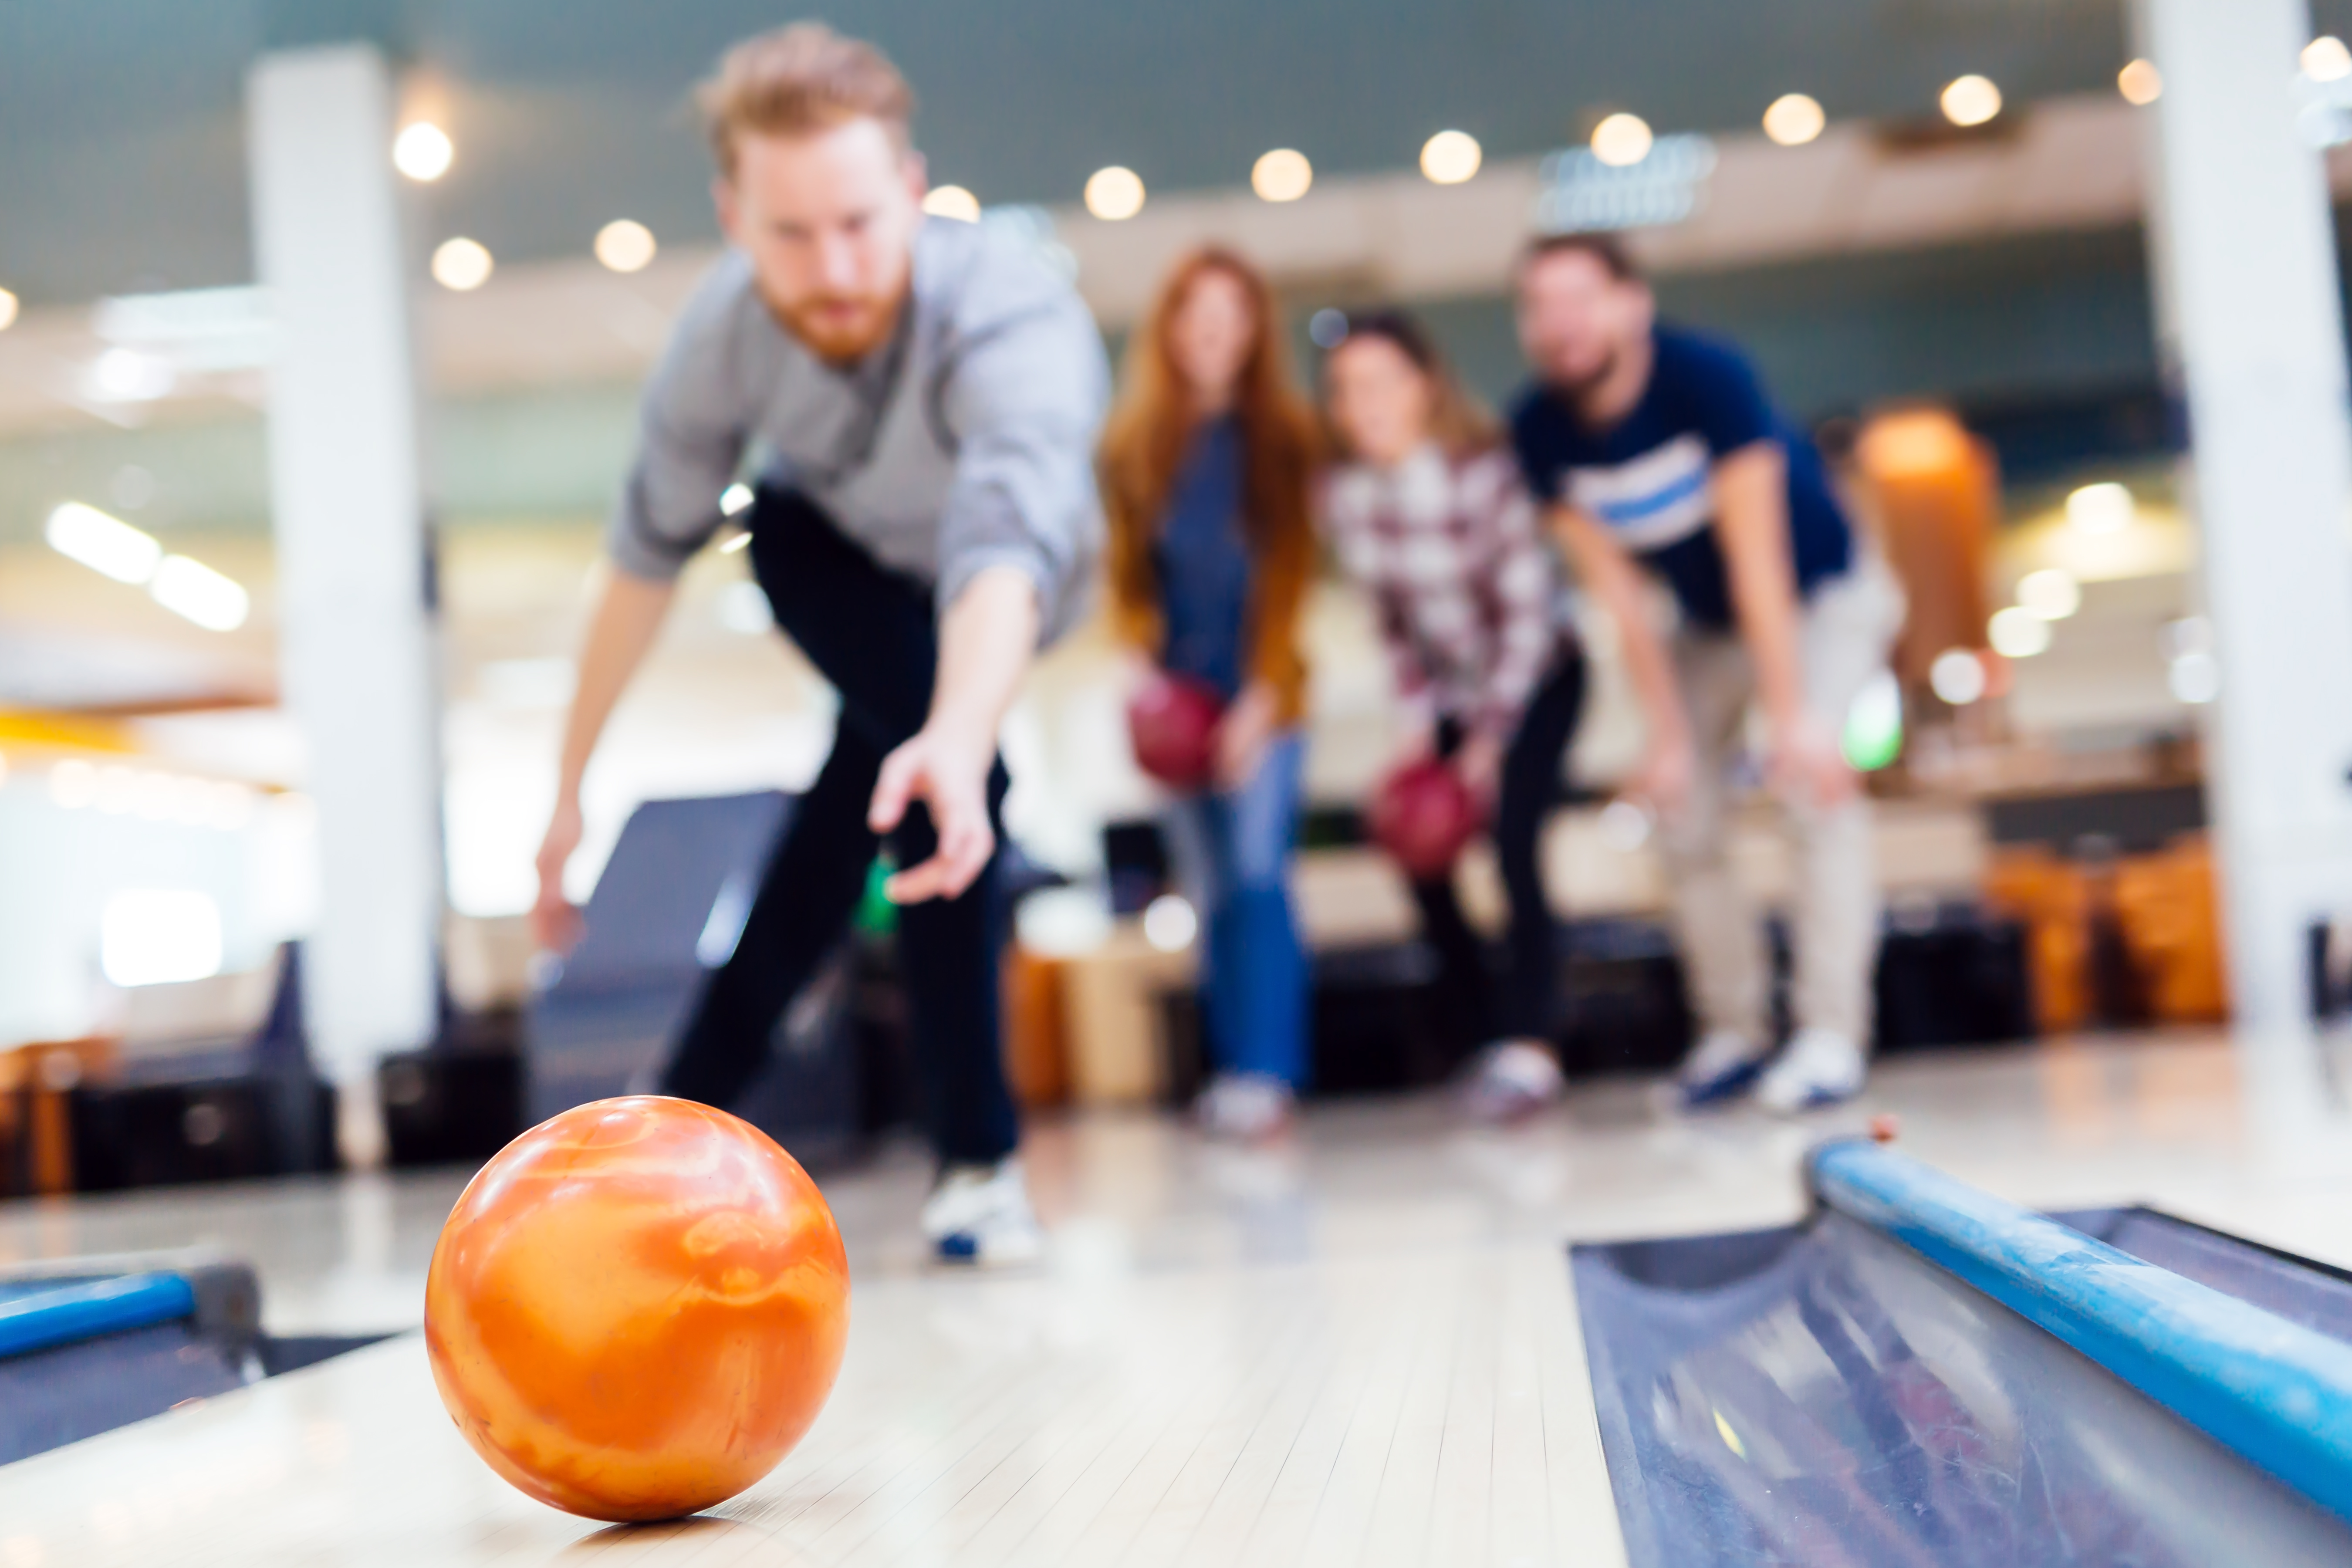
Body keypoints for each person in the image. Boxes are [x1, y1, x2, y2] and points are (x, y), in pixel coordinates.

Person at [529, 24, 1108, 1263]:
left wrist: (959, 734)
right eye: (791, 235)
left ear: (913, 189)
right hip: (831, 558)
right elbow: (641, 567)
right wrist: (567, 793)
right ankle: (769, 1151)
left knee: (882, 810)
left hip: (995, 590)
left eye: (858, 223)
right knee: (881, 709)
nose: (833, 269)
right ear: (733, 216)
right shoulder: (719, 340)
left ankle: (941, 1156)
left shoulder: (1012, 316)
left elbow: (1002, 549)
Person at [1509, 233, 1903, 1112]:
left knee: (1812, 789)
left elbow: (1759, 560)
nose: (1560, 324)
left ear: (1632, 304)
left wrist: (1792, 719)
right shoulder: (1539, 431)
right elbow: (1619, 596)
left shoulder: (1707, 379)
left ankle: (1830, 1037)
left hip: (1822, 595)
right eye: (1538, 306)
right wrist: (1669, 737)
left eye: (1580, 299)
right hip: (1705, 624)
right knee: (1680, 807)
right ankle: (1734, 1034)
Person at [1320, 311, 1586, 1122]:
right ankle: (1481, 1038)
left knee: (1512, 842)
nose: (1363, 404)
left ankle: (1533, 1046)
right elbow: (1394, 628)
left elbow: (1527, 617)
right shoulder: (1346, 497)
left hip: (1539, 678)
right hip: (1447, 693)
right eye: (1346, 390)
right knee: (1419, 851)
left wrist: (1489, 742)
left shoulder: (1484, 475)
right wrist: (1415, 737)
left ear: (1424, 386)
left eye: (1380, 383)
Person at [1099, 248, 1318, 1142]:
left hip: (1264, 699)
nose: (1212, 333)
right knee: (1211, 889)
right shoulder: (1134, 448)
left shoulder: (1287, 441)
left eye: (1231, 315)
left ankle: (1270, 1072)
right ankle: (1232, 1070)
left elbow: (1291, 584)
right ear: (1171, 328)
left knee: (1261, 875)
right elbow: (1126, 585)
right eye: (1196, 314)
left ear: (1255, 330)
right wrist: (1143, 682)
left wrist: (1260, 706)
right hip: (1177, 708)